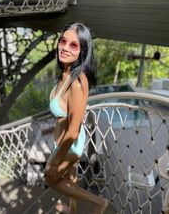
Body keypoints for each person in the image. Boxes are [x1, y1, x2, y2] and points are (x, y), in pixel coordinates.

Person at [44, 22, 109, 214]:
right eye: (63, 41)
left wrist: (55, 160)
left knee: (50, 177)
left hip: (69, 145)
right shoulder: (66, 74)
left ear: (82, 51)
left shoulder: (77, 82)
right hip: (61, 141)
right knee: (71, 179)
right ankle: (73, 211)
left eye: (73, 45)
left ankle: (98, 202)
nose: (64, 47)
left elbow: (73, 131)